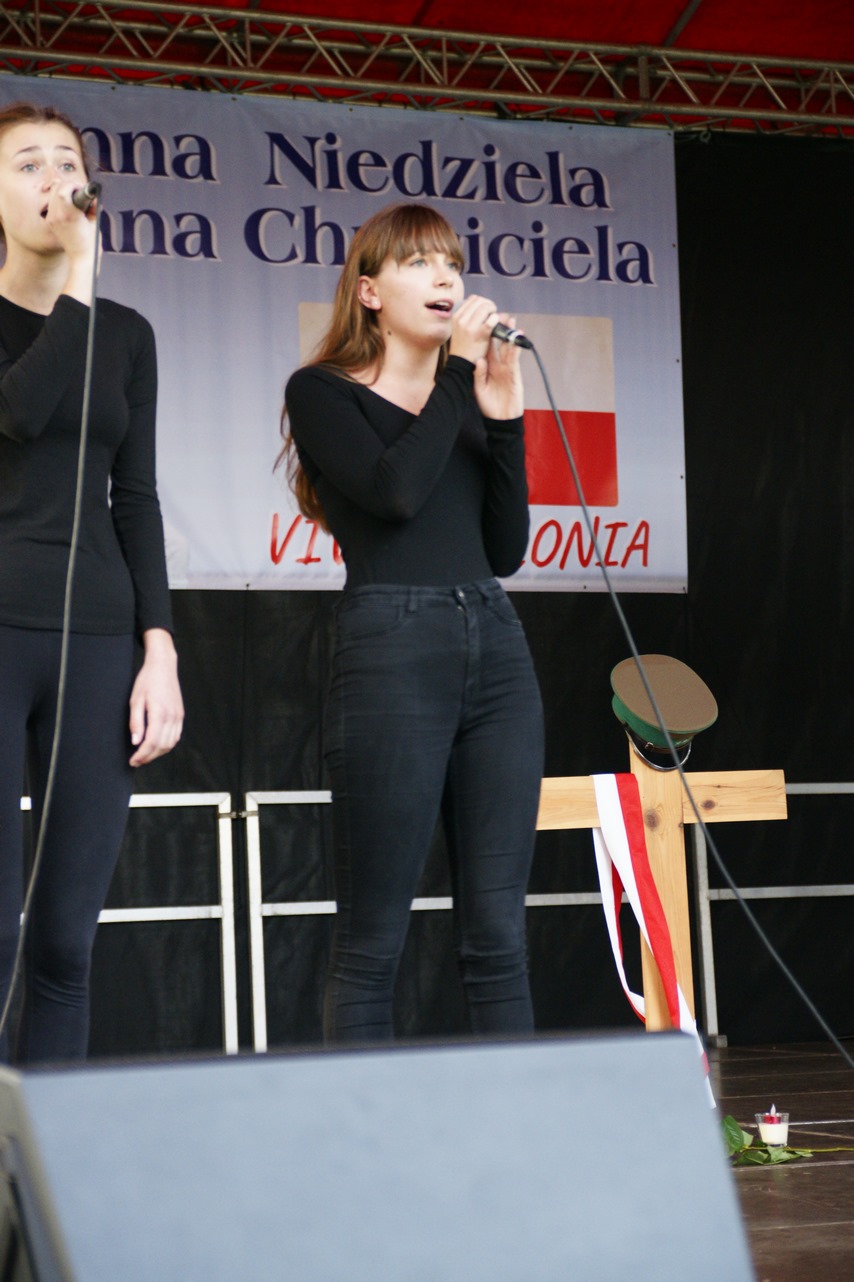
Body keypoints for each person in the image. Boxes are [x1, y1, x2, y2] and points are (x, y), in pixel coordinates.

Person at [283, 201, 544, 1042]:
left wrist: (506, 421)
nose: (446, 279)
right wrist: (457, 377)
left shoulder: (468, 396)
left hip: (494, 642)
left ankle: (511, 1118)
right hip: (392, 646)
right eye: (421, 263)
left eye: (453, 264)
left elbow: (504, 549)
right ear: (369, 292)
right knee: (372, 940)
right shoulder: (322, 392)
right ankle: (368, 1125)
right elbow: (393, 494)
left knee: (499, 933)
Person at [0, 102, 184, 1063]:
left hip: (101, 636)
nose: (53, 180)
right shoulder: (65, 313)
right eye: (27, 164)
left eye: (66, 162)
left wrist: (161, 648)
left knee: (66, 943)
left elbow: (136, 497)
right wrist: (77, 280)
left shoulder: (129, 335)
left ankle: (49, 1151)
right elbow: (20, 413)